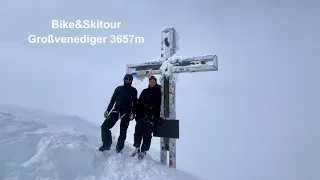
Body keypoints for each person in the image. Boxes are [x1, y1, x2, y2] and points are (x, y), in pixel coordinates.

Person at [99, 74, 138, 153]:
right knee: (104, 127)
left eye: (129, 79)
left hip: (127, 112)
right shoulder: (119, 89)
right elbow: (113, 100)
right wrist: (108, 110)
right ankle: (106, 145)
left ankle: (119, 149)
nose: (127, 80)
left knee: (123, 132)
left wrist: (133, 113)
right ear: (123, 79)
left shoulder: (133, 90)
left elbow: (135, 103)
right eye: (126, 78)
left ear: (131, 81)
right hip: (116, 111)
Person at [130, 75, 162, 158]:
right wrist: (136, 114)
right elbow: (139, 103)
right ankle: (137, 148)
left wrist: (156, 116)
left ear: (155, 82)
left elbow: (159, 105)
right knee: (137, 133)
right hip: (141, 116)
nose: (151, 83)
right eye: (150, 81)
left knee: (147, 136)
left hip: (151, 118)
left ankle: (143, 151)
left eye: (153, 81)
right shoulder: (145, 91)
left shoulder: (159, 92)